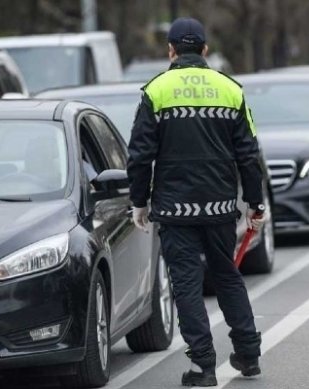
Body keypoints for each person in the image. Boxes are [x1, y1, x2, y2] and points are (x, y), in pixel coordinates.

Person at [127, 17, 267, 387]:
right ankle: (249, 355)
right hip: (220, 207)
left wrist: (138, 201)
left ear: (170, 51)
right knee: (227, 276)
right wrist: (255, 204)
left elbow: (139, 155)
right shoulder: (230, 89)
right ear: (205, 50)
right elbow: (249, 154)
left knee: (186, 285)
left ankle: (203, 366)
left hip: (174, 210)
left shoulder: (156, 90)